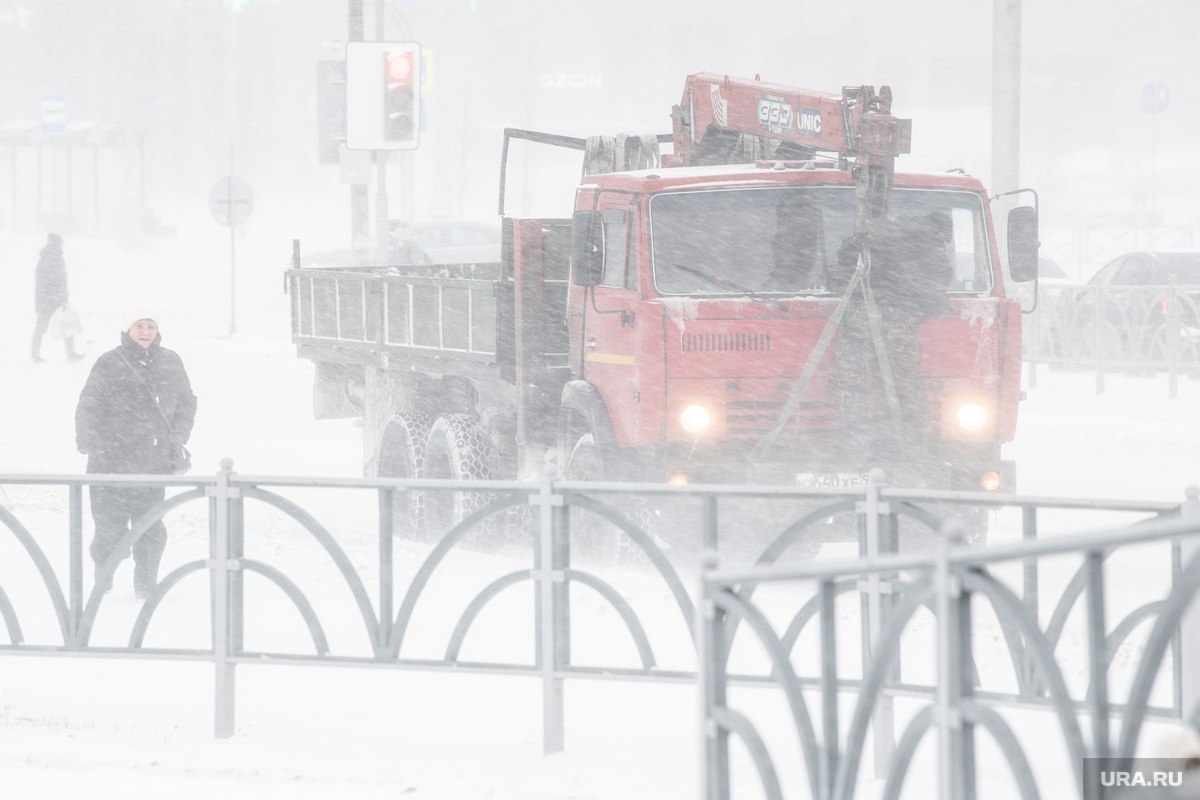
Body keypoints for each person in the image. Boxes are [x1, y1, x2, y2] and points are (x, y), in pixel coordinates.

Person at [75, 310, 198, 598]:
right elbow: (89, 404)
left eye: (151, 326)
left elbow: (186, 402)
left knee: (151, 530)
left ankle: (146, 587)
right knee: (109, 530)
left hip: (152, 464)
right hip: (109, 463)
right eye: (138, 326)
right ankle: (103, 578)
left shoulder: (170, 361)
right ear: (126, 329)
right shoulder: (109, 362)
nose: (145, 332)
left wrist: (179, 435)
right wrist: (89, 440)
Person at [31, 232, 84, 363]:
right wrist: (53, 297)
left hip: (58, 299)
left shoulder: (57, 259)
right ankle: (34, 354)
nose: (62, 247)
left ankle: (70, 353)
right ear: (55, 245)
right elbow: (44, 283)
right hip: (47, 301)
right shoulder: (47, 261)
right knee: (41, 328)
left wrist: (64, 295)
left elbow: (61, 281)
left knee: (68, 326)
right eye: (60, 244)